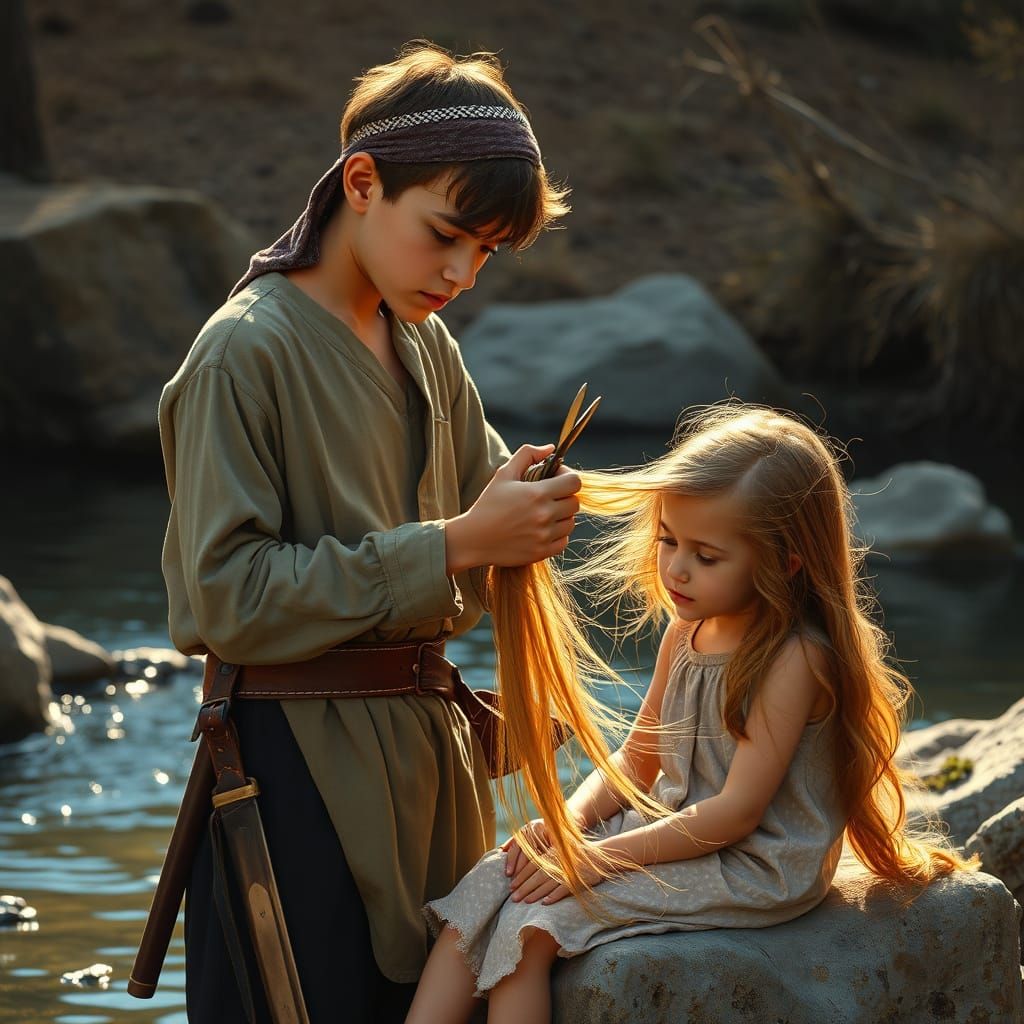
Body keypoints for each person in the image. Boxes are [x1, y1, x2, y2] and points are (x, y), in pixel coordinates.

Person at [157, 42, 580, 1023]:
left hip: (429, 773)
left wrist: (520, 516)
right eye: (446, 235)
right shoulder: (242, 355)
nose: (463, 272)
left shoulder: (425, 345)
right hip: (289, 777)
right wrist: (459, 544)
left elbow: (471, 545)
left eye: (486, 252)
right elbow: (226, 599)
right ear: (361, 183)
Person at [406, 404, 975, 1024]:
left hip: (753, 862)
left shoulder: (796, 658)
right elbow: (640, 756)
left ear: (785, 563)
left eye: (707, 556)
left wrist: (592, 859)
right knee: (495, 878)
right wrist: (565, 827)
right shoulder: (688, 631)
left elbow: (735, 813)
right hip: (676, 829)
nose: (677, 568)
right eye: (668, 541)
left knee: (534, 925)